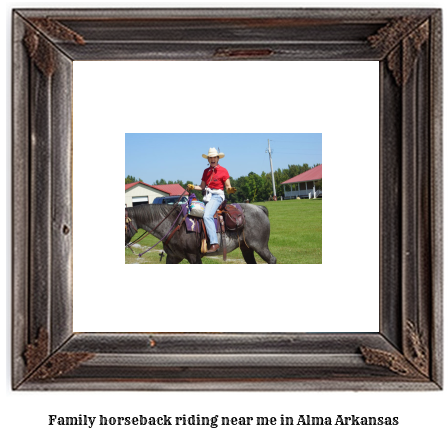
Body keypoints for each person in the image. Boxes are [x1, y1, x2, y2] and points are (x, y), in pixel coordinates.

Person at [187, 148, 237, 253]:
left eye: (214, 157)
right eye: (210, 157)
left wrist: (230, 190)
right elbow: (202, 186)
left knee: (207, 215)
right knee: (195, 212)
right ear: (208, 159)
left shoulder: (223, 170)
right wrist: (193, 187)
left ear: (218, 158)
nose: (212, 159)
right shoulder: (206, 171)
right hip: (207, 196)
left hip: (217, 196)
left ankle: (214, 243)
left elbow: (228, 186)